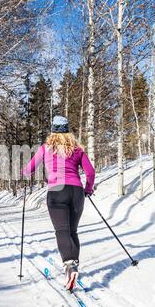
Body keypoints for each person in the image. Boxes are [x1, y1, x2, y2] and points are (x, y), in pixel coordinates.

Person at [22, 116, 95, 291]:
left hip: (57, 191)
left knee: (62, 231)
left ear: (53, 131)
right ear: (68, 131)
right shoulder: (77, 149)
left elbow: (29, 170)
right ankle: (73, 265)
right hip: (76, 192)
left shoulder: (46, 148)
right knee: (72, 231)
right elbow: (90, 172)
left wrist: (25, 173)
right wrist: (88, 189)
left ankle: (70, 266)